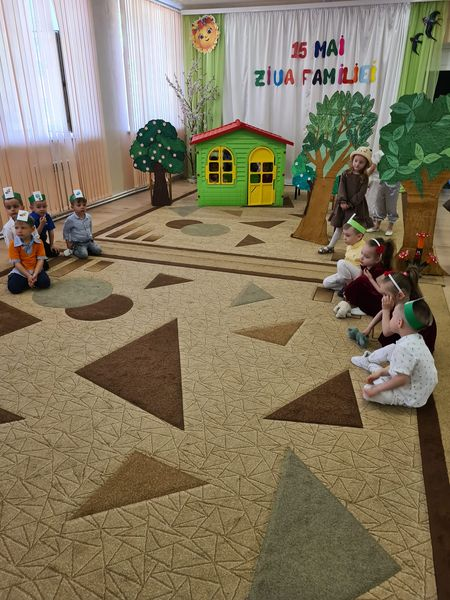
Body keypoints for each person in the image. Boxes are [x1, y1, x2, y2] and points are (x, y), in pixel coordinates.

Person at [360, 299, 438, 408]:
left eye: (392, 316)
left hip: (412, 397)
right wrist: (381, 372)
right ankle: (374, 367)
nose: (391, 318)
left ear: (399, 322)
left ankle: (373, 368)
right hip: (419, 385)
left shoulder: (404, 348)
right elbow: (404, 365)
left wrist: (377, 389)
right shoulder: (417, 339)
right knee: (392, 354)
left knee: (367, 391)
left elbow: (402, 379)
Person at [350, 267, 437, 355]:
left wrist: (386, 310)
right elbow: (382, 312)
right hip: (415, 338)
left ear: (400, 295)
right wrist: (368, 328)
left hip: (418, 351)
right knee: (390, 321)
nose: (383, 298)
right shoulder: (405, 298)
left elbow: (386, 332)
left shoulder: (404, 309)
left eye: (385, 294)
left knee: (387, 341)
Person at [318, 147, 373, 254]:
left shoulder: (364, 177)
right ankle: (330, 246)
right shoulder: (346, 173)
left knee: (356, 229)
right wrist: (343, 201)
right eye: (356, 161)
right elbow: (341, 188)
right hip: (343, 206)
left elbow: (361, 193)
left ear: (365, 165)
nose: (357, 164)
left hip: (356, 207)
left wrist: (351, 203)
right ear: (352, 161)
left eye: (361, 162)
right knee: (339, 227)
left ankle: (357, 250)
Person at [334, 237, 395, 317]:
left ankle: (365, 309)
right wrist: (351, 288)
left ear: (377, 259)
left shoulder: (379, 271)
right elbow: (358, 278)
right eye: (361, 253)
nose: (361, 257)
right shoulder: (366, 264)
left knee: (362, 280)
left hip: (379, 300)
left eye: (366, 257)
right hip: (369, 291)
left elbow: (382, 292)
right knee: (360, 281)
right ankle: (354, 300)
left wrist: (370, 279)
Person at [7, 211, 50, 294]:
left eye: (23, 228)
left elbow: (40, 260)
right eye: (16, 228)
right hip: (21, 272)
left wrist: (35, 274)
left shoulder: (38, 242)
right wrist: (28, 276)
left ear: (32, 229)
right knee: (14, 288)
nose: (19, 231)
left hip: (35, 270)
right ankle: (28, 281)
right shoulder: (13, 244)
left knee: (45, 283)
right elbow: (16, 263)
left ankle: (30, 281)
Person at [322, 215, 366, 292]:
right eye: (344, 234)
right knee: (326, 282)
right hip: (348, 275)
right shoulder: (350, 245)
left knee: (341, 263)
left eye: (347, 235)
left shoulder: (364, 249)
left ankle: (350, 287)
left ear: (359, 236)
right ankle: (346, 288)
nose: (344, 238)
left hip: (359, 275)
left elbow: (366, 268)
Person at [366, 150, 400, 236]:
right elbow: (372, 168)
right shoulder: (379, 153)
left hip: (393, 182)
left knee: (391, 205)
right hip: (381, 181)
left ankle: (390, 227)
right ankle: (377, 225)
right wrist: (363, 177)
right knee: (379, 203)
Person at [63, 190, 102, 259]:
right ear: (72, 207)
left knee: (98, 251)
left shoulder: (88, 217)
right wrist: (68, 242)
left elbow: (90, 227)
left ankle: (87, 248)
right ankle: (74, 250)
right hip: (78, 243)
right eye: (79, 205)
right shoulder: (70, 219)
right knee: (84, 255)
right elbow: (66, 231)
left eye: (84, 205)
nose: (82, 207)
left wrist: (91, 236)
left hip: (88, 241)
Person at [29, 191, 60, 260]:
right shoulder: (31, 219)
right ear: (32, 208)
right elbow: (34, 236)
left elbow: (50, 231)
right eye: (38, 207)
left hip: (41, 242)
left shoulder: (47, 216)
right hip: (32, 244)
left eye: (44, 206)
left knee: (54, 252)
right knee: (42, 262)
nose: (42, 209)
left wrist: (52, 244)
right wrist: (42, 224)